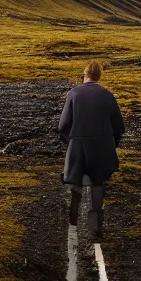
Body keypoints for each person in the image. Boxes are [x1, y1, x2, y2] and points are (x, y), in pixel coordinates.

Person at [58, 60, 125, 241]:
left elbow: (63, 125)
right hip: (102, 145)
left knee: (76, 179)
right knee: (98, 183)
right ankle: (95, 226)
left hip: (78, 144)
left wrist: (70, 141)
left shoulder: (74, 93)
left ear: (85, 74)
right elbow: (119, 126)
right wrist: (112, 143)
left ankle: (73, 215)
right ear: (99, 76)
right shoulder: (107, 95)